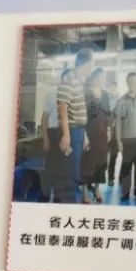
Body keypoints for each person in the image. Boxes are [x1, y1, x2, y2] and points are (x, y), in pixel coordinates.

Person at [57, 50, 93, 203]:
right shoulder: (69, 79)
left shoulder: (79, 81)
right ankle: (67, 205)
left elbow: (78, 110)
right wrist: (66, 135)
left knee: (75, 171)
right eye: (92, 63)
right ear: (85, 63)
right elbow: (62, 106)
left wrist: (84, 135)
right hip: (71, 132)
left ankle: (69, 201)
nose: (92, 67)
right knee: (69, 173)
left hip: (78, 131)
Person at [115, 71, 136, 202]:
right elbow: (118, 122)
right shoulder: (121, 101)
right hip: (127, 140)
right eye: (131, 82)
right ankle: (125, 193)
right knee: (126, 167)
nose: (133, 84)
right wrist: (118, 140)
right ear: (127, 83)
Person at [43, 70, 74, 202]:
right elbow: (44, 118)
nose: (70, 81)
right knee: (51, 167)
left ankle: (58, 198)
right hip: (54, 133)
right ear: (62, 80)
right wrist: (46, 139)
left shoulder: (73, 97)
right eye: (68, 78)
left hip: (68, 133)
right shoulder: (51, 95)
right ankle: (45, 195)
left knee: (64, 168)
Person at [82, 68, 111, 203]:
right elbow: (82, 116)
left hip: (103, 133)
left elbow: (108, 113)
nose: (101, 80)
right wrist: (84, 136)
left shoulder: (105, 94)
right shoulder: (86, 93)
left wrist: (109, 130)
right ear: (93, 78)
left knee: (101, 161)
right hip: (90, 132)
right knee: (87, 162)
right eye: (99, 78)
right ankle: (85, 192)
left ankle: (97, 189)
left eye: (103, 78)